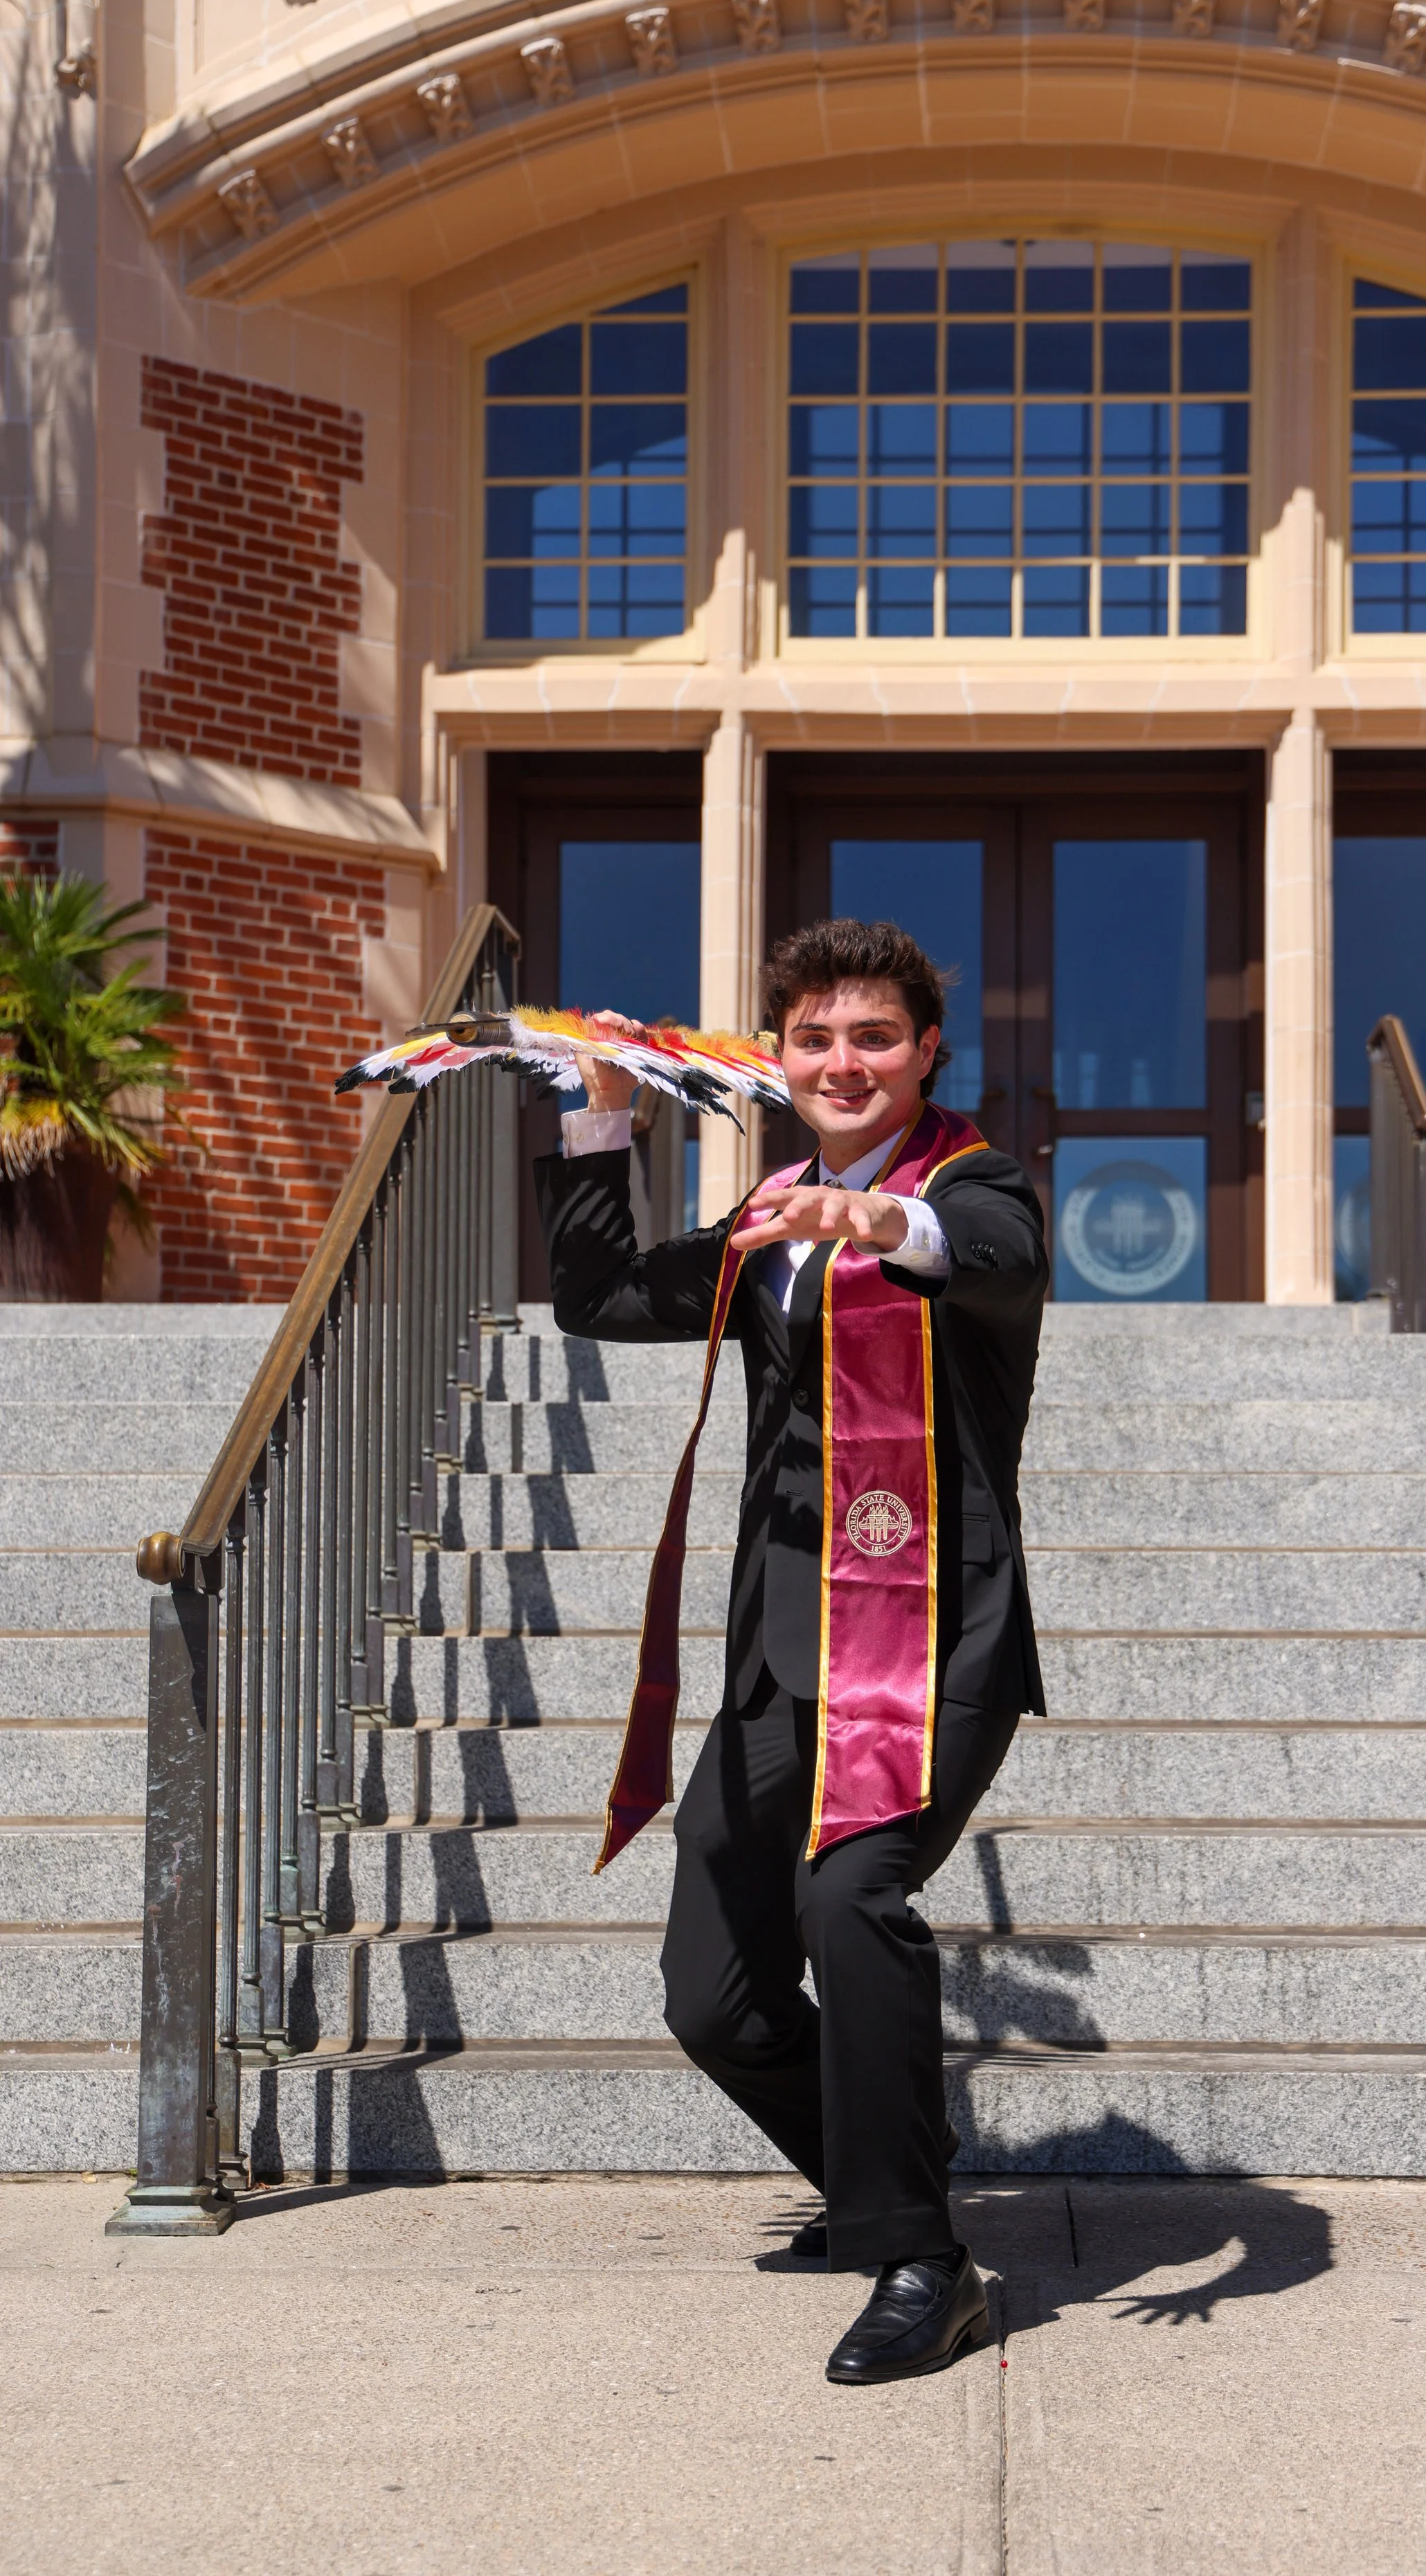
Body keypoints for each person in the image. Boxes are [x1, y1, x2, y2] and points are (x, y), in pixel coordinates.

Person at [536, 917, 1047, 2385]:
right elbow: (597, 1296)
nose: (844, 1061)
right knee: (715, 1993)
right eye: (815, 1038)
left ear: (926, 1051)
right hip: (783, 1648)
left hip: (934, 1633)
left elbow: (990, 1255)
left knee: (853, 1892)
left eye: (873, 1036)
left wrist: (884, 1227)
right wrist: (604, 1117)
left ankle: (918, 2257)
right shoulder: (767, 1216)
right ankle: (884, 2177)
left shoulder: (971, 1184)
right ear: (777, 1059)